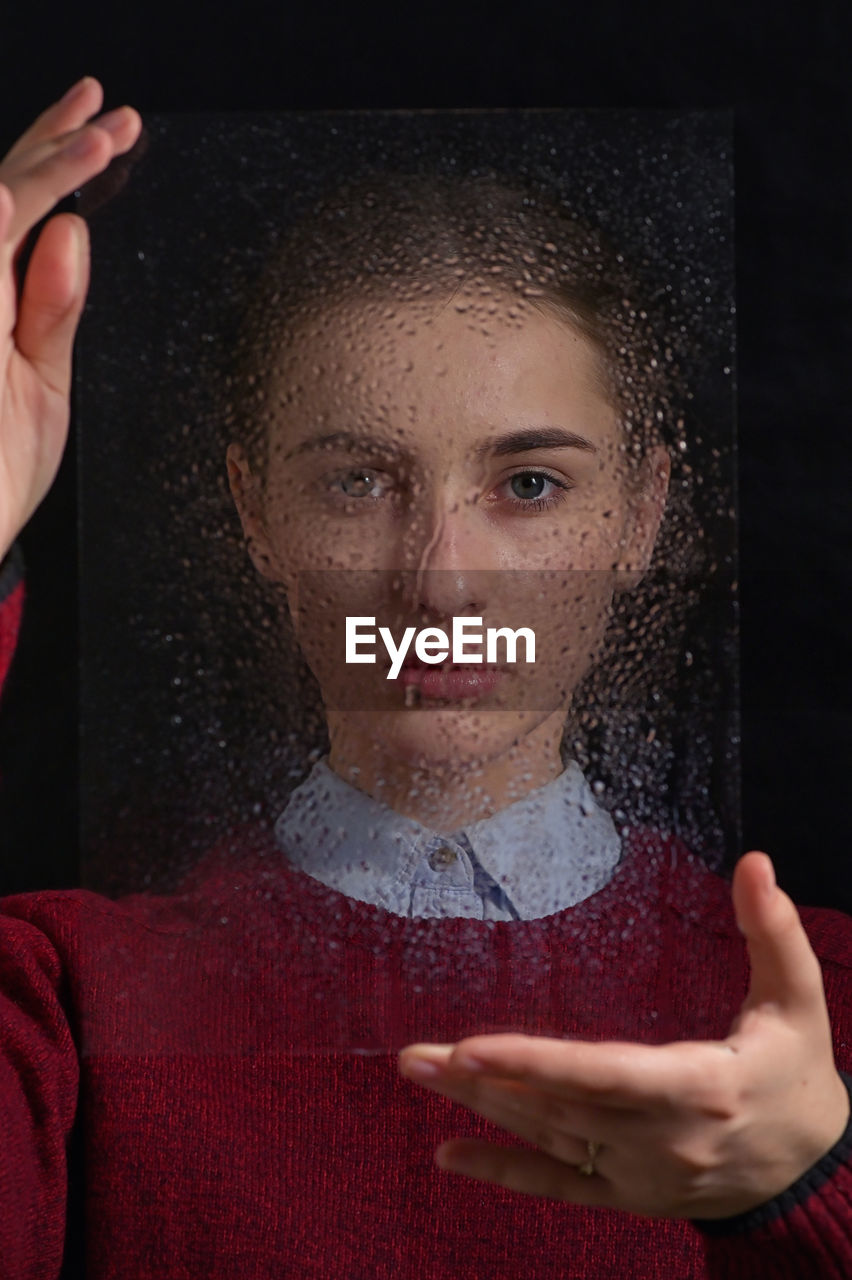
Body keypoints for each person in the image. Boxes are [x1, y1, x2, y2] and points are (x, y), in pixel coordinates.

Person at [0, 78, 850, 1279]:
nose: (442, 585)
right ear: (256, 513)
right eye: (357, 480)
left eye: (530, 486)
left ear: (643, 512)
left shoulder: (821, 1004)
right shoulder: (59, 998)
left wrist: (813, 1192)